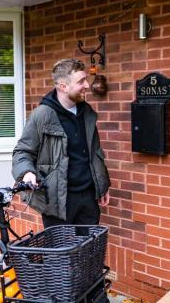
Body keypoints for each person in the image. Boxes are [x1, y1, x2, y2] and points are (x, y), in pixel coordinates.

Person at [12, 58, 110, 228]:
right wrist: (27, 172)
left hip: (88, 198)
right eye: (81, 81)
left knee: (88, 250)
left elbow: (94, 152)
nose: (87, 85)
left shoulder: (87, 113)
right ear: (63, 87)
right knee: (60, 253)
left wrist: (102, 185)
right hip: (57, 201)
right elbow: (22, 152)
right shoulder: (42, 116)